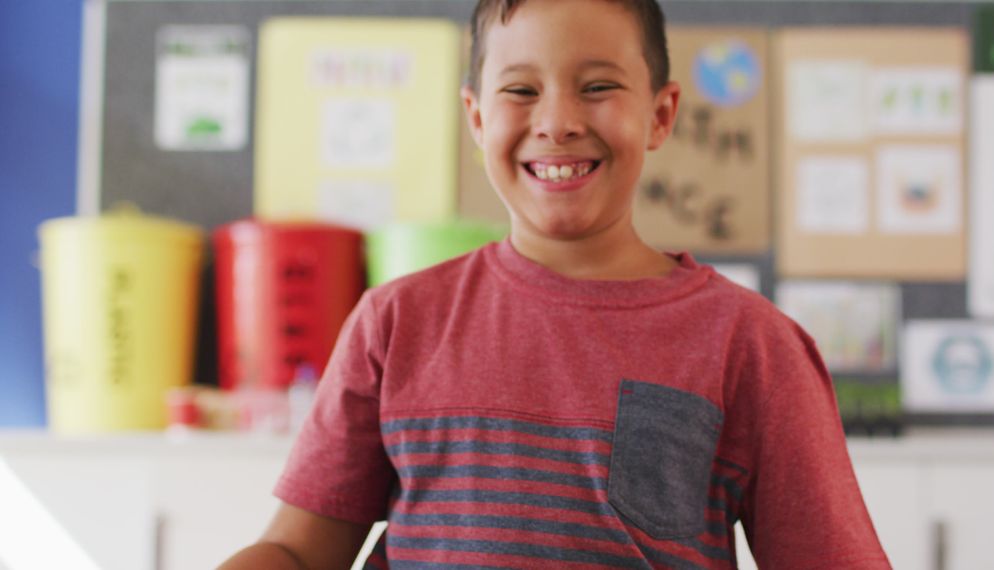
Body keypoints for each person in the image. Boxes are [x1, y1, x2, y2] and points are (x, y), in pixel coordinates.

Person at [220, 0, 892, 568]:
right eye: (520, 90)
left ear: (661, 115)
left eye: (598, 87)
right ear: (477, 118)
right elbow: (297, 551)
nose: (558, 121)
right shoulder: (395, 321)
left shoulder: (752, 344)